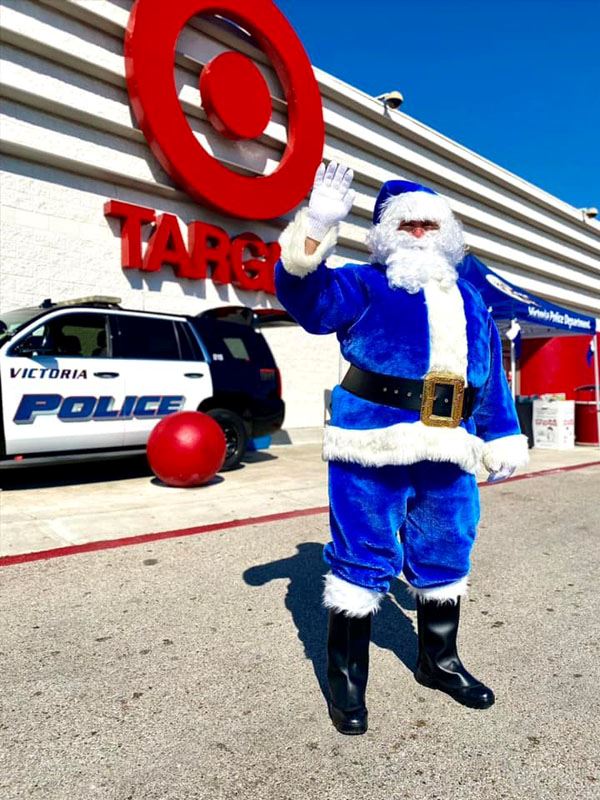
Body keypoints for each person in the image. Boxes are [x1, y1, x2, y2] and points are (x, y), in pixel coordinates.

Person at [274, 162, 529, 735]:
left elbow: (490, 376)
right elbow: (307, 300)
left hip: (451, 445)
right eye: (406, 225)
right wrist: (316, 227)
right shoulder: (362, 284)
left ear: (447, 233)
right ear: (385, 234)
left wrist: (501, 434)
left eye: (428, 226)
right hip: (372, 442)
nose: (418, 234)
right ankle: (347, 681)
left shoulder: (470, 298)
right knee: (362, 555)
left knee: (447, 549)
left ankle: (439, 662)